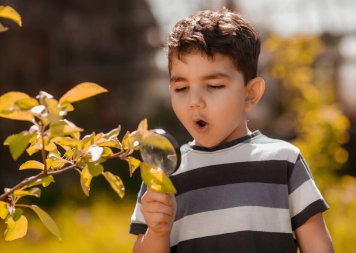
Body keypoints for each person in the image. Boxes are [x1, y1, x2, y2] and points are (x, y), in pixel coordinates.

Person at [129, 7, 334, 253]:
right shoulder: (163, 175)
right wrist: (157, 231)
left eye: (214, 86)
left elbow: (318, 247)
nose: (194, 101)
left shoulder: (283, 162)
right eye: (181, 88)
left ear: (250, 94)